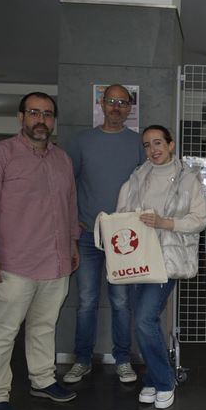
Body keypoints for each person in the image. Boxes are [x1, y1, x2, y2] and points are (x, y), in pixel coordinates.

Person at [0, 92, 80, 410]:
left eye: (47, 113)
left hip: (55, 261)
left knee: (44, 326)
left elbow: (69, 206)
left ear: (53, 120)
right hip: (12, 263)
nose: (41, 119)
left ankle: (43, 379)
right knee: (3, 331)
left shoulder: (63, 160)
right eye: (34, 112)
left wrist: (72, 243)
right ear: (20, 117)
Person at [116, 125, 206, 410]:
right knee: (146, 321)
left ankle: (164, 381)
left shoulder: (188, 178)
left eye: (158, 143)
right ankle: (154, 380)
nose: (153, 149)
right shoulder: (137, 176)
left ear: (171, 145)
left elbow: (200, 219)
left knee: (144, 320)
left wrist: (165, 223)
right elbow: (122, 214)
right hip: (136, 258)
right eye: (147, 145)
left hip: (167, 261)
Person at [64, 84, 144, 384]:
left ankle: (123, 359)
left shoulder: (137, 143)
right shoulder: (83, 141)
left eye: (122, 103)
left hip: (123, 238)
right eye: (111, 101)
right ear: (101, 103)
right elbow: (67, 186)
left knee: (122, 302)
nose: (116, 107)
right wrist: (74, 223)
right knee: (86, 301)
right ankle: (82, 360)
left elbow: (144, 188)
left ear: (129, 108)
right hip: (86, 235)